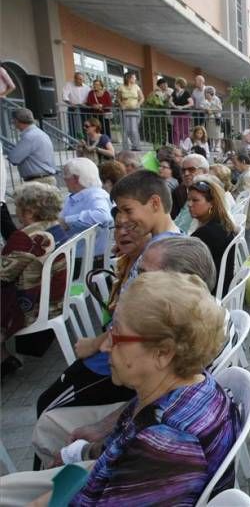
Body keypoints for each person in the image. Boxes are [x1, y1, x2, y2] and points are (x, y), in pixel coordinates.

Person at [1, 271, 240, 506]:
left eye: (116, 335)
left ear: (163, 352)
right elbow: (115, 455)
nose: (105, 346)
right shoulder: (189, 385)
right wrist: (80, 454)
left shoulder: (166, 443)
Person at [32, 172, 183, 440]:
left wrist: (93, 344)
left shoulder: (160, 255)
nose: (122, 219)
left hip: (116, 362)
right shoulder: (158, 245)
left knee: (47, 408)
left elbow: (141, 321)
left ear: (155, 203)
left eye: (128, 210)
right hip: (114, 355)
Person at [1, 183, 68, 377]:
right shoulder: (56, 227)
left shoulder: (27, 236)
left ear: (29, 211)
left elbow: (3, 274)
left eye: (18, 208)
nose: (17, 213)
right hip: (55, 298)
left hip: (32, 306)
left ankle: (4, 359)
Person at [187, 178, 237, 296]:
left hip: (210, 294)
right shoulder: (222, 223)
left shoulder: (206, 234)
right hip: (222, 287)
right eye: (188, 199)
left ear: (211, 203)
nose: (189, 204)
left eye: (195, 200)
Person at [60, 158, 113, 265]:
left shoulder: (96, 194)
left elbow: (103, 216)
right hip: (73, 259)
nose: (63, 179)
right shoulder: (72, 197)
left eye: (65, 176)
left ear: (75, 178)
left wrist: (67, 221)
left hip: (88, 263)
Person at [7, 108, 56, 184]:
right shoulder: (38, 133)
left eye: (13, 121)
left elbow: (14, 158)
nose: (13, 123)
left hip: (38, 181)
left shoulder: (29, 136)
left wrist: (11, 150)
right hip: (44, 178)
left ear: (17, 120)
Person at [174, 154, 211, 232]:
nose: (186, 173)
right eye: (183, 170)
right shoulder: (182, 191)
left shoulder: (210, 193)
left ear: (205, 172)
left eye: (191, 169)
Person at [230, 151, 250, 228]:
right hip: (242, 210)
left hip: (243, 215)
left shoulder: (248, 176)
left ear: (243, 162)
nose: (234, 166)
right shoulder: (249, 172)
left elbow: (242, 200)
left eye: (235, 163)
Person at [116, 72, 143, 151]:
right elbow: (118, 98)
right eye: (134, 77)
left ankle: (136, 146)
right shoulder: (121, 87)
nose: (135, 79)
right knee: (125, 129)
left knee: (134, 129)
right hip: (125, 111)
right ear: (128, 78)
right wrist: (121, 105)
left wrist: (138, 105)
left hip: (135, 110)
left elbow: (142, 98)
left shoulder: (136, 87)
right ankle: (125, 147)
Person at [63, 72, 90, 139]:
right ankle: (72, 142)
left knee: (86, 125)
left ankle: (86, 141)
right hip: (73, 107)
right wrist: (70, 103)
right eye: (78, 79)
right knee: (72, 125)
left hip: (84, 108)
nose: (80, 81)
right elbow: (64, 96)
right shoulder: (69, 85)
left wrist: (86, 103)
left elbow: (90, 98)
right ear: (75, 79)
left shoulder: (87, 88)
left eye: (81, 79)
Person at [169, 77, 194, 146]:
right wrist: (174, 105)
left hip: (185, 114)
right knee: (176, 130)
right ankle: (176, 145)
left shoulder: (186, 92)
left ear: (178, 84)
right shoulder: (174, 92)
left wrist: (182, 107)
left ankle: (185, 145)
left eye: (175, 83)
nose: (174, 85)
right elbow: (170, 101)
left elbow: (191, 103)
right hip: (175, 114)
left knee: (185, 130)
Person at [202, 86, 223, 153]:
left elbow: (219, 108)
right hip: (208, 118)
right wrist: (206, 109)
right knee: (209, 133)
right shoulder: (205, 100)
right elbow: (203, 106)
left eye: (206, 93)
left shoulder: (216, 99)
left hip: (216, 118)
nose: (205, 94)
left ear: (210, 93)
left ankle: (217, 146)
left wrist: (212, 110)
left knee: (216, 133)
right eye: (205, 93)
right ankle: (211, 146)